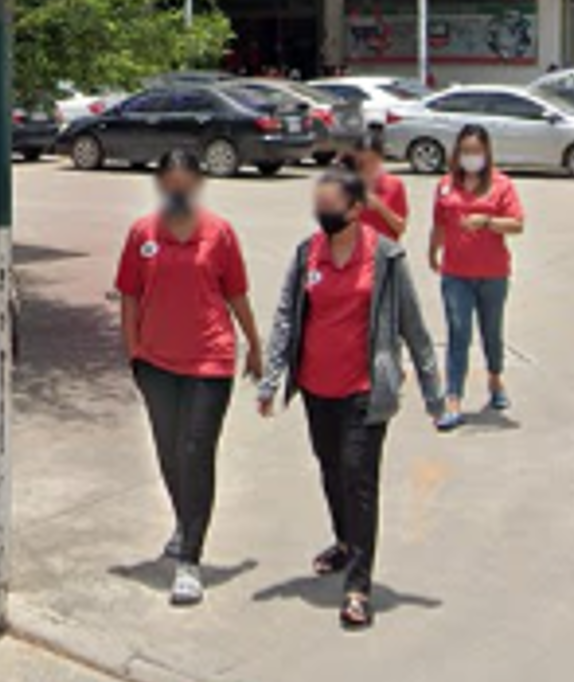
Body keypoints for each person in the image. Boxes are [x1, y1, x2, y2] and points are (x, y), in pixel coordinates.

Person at [257, 167, 434, 631]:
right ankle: (344, 542)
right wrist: (272, 379)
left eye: (333, 204)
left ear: (357, 210)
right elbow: (285, 318)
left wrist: (436, 395)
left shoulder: (387, 258)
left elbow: (413, 326)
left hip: (364, 391)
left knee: (359, 480)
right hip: (316, 387)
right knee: (331, 467)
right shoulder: (306, 253)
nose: (324, 211)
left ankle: (358, 587)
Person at [115, 149, 262, 608]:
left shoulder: (219, 234)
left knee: (196, 452)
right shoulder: (143, 234)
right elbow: (130, 297)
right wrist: (133, 351)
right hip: (156, 362)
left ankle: (190, 562)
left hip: (209, 360)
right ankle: (185, 520)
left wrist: (255, 345)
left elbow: (235, 293)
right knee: (169, 452)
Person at [426, 124, 524, 429]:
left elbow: (517, 224)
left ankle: (495, 379)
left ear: (486, 152)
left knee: (491, 332)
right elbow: (439, 224)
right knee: (458, 332)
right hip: (456, 273)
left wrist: (488, 221)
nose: (471, 157)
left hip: (493, 274)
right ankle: (453, 398)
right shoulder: (445, 186)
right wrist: (433, 252)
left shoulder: (501, 184)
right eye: (465, 151)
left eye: (476, 151)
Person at [345, 133, 410, 242]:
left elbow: (400, 228)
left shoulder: (394, 184)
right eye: (363, 161)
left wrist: (380, 207)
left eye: (372, 159)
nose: (368, 165)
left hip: (384, 253)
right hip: (354, 253)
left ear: (380, 158)